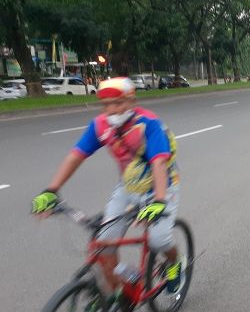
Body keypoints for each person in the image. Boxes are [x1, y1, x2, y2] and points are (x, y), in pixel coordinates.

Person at [31, 77, 183, 299]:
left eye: (118, 103)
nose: (111, 110)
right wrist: (51, 190)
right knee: (104, 243)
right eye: (106, 105)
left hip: (161, 188)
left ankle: (174, 265)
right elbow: (76, 156)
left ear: (131, 100)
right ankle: (117, 294)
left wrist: (159, 201)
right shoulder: (100, 125)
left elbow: (159, 162)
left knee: (158, 239)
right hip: (128, 188)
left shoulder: (149, 124)